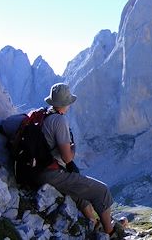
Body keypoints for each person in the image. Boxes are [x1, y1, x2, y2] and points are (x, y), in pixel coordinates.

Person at [36, 83, 123, 238]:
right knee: (102, 191)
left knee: (80, 193)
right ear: (66, 103)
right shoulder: (59, 121)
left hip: (39, 171)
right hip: (51, 174)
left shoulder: (45, 115)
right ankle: (111, 233)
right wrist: (73, 146)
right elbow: (67, 157)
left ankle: (94, 223)